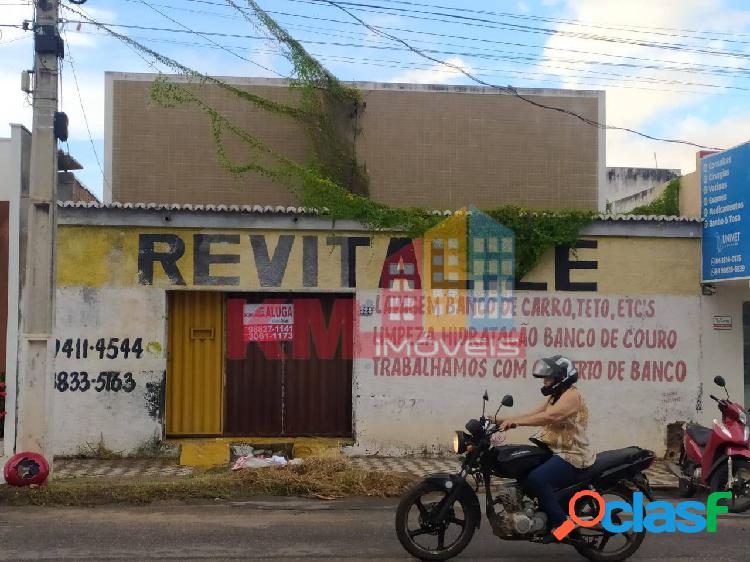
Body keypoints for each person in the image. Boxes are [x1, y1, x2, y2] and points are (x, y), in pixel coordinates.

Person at [495, 354, 595, 542]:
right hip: (556, 451)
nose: (546, 382)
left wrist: (516, 424)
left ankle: (562, 526)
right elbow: (533, 414)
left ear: (561, 378)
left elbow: (549, 418)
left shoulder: (572, 396)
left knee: (537, 479)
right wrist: (498, 419)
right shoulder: (555, 397)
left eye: (549, 378)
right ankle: (538, 514)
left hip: (573, 455)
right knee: (523, 474)